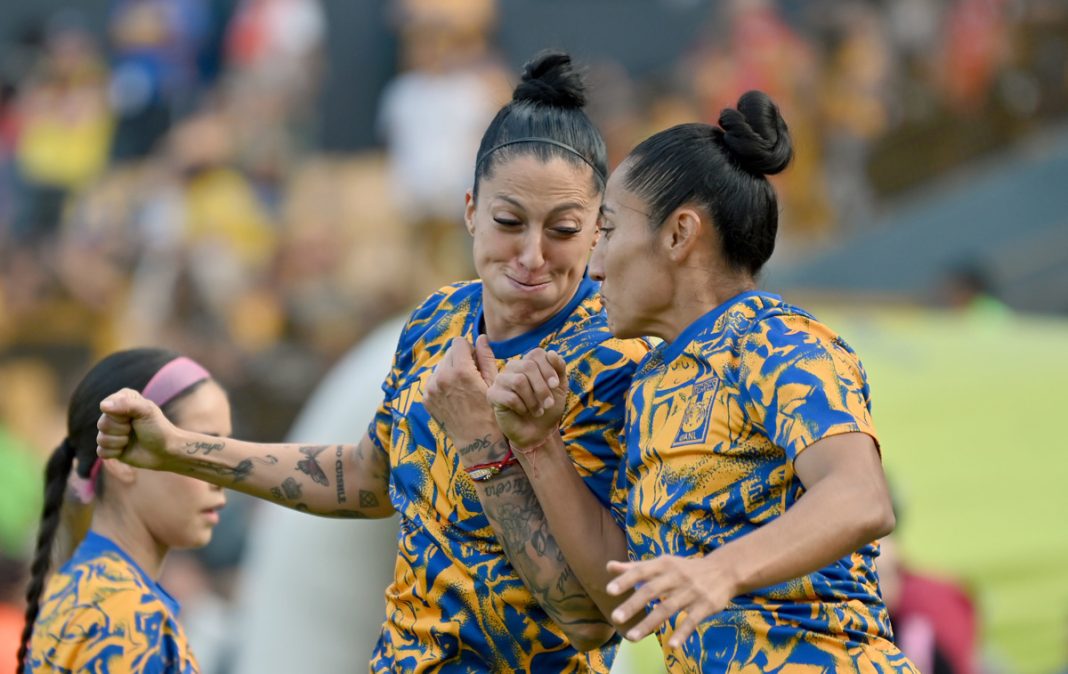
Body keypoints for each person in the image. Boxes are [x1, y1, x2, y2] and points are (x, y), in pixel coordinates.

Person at [96, 51, 649, 673]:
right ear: (470, 210)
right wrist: (179, 449)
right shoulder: (437, 321)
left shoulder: (618, 362)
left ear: (599, 229)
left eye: (563, 229)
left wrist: (486, 445)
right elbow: (365, 478)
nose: (531, 254)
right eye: (507, 221)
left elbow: (588, 619)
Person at [482, 91, 918, 671]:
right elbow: (626, 607)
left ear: (679, 233)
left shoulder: (778, 340)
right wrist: (539, 444)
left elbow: (861, 497)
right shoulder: (650, 384)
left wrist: (721, 570)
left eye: (608, 230)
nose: (594, 263)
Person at [19, 348, 231, 673]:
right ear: (122, 459)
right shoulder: (133, 620)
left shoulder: (69, 586)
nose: (223, 476)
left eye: (226, 452)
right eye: (201, 448)